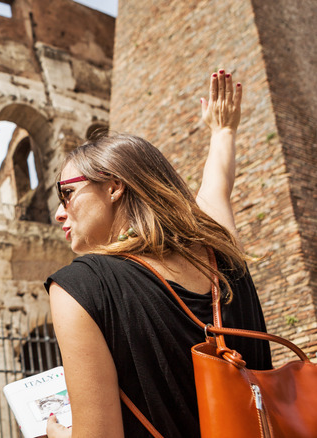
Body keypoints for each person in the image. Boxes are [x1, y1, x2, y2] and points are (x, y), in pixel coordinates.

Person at [44, 70, 273, 438]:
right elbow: (218, 185)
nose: (58, 212)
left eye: (66, 193)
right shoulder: (221, 251)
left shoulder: (79, 287)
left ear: (114, 186)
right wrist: (223, 131)